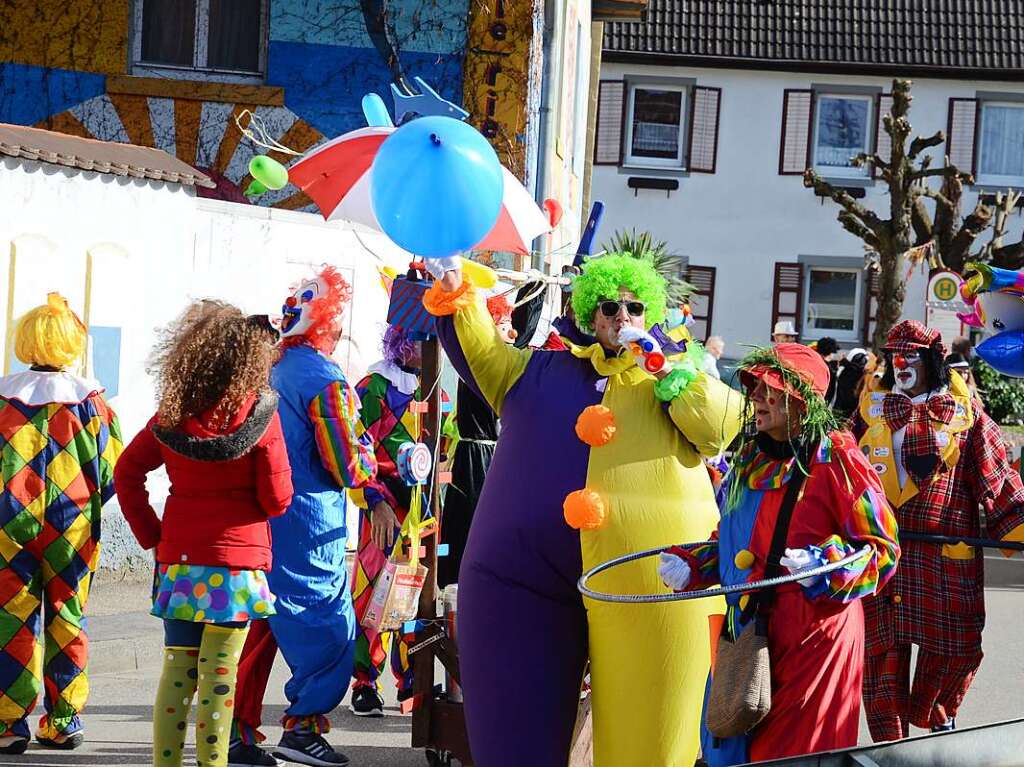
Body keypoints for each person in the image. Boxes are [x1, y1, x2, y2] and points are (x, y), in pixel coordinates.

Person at [422, 252, 741, 767]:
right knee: (513, 741)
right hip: (520, 575)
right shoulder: (537, 369)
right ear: (589, 314)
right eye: (610, 308)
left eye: (634, 309)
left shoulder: (674, 377)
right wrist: (459, 292)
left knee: (652, 749)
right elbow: (483, 355)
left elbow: (723, 427)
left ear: (651, 315)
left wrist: (665, 367)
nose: (622, 319)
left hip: (652, 579)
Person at [660, 343, 899, 765]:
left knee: (790, 756)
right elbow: (738, 547)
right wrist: (696, 563)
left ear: (799, 399)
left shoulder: (838, 459)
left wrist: (826, 567)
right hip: (749, 636)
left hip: (812, 645)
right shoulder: (750, 460)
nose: (755, 397)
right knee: (731, 746)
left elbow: (882, 550)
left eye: (768, 388)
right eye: (754, 386)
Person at [114, 302, 291, 767]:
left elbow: (127, 472)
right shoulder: (261, 417)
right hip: (238, 568)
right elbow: (277, 500)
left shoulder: (170, 416)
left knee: (177, 670)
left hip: (180, 561)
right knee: (219, 677)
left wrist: (152, 534)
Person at [230, 266, 377, 767]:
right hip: (308, 525)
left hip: (260, 520)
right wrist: (374, 459)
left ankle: (237, 732)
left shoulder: (267, 369)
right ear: (327, 325)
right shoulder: (326, 379)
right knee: (328, 628)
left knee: (259, 626)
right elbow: (347, 464)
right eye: (338, 325)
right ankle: (304, 728)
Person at [850, 320, 1024, 740]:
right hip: (885, 560)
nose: (901, 361)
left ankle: (938, 722)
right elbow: (842, 473)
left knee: (955, 651)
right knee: (880, 660)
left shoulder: (968, 418)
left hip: (943, 563)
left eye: (910, 354)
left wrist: (1017, 525)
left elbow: (997, 481)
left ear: (932, 361)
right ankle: (889, 750)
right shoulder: (869, 412)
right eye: (895, 354)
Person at [0, 293, 122, 753]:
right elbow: (110, 470)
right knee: (67, 618)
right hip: (73, 529)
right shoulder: (93, 404)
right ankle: (64, 718)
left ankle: (9, 725)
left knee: (10, 621)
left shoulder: (2, 399)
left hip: (8, 526)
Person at [347, 324, 427, 717]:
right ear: (406, 344)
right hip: (382, 506)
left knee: (413, 595)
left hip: (421, 510)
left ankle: (410, 679)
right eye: (427, 342)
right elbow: (353, 447)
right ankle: (365, 680)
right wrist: (374, 500)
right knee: (371, 592)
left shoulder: (436, 389)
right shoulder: (374, 386)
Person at [437, 294, 521, 589]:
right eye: (504, 324)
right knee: (471, 523)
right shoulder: (481, 364)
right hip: (475, 457)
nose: (511, 333)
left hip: (489, 454)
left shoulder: (496, 365)